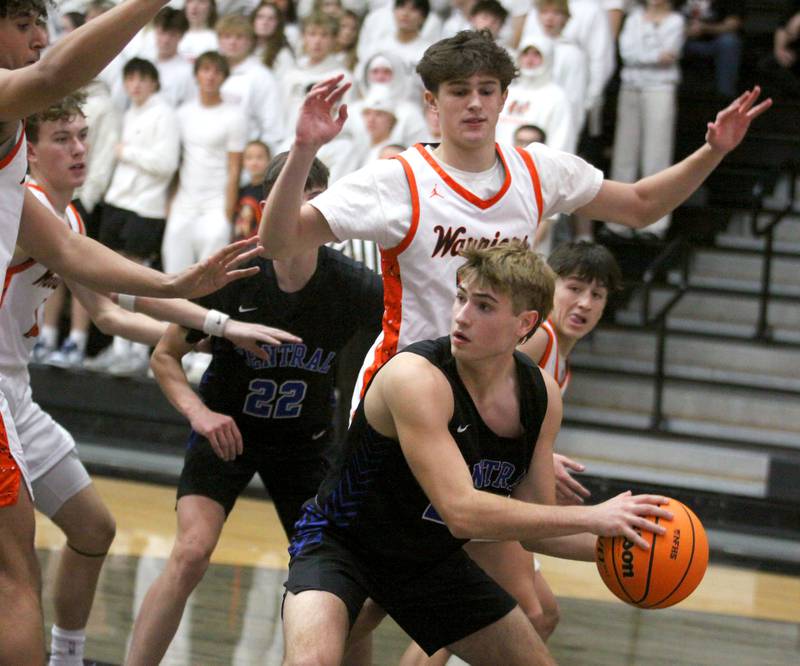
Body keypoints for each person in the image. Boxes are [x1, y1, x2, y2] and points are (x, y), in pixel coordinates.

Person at [260, 27, 770, 658]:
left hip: (482, 395)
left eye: (487, 89)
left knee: (510, 601)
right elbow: (280, 242)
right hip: (403, 397)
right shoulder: (400, 180)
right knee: (382, 580)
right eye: (458, 91)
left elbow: (640, 205)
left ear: (506, 99)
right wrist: (304, 150)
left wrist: (713, 151)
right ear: (431, 103)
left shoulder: (535, 173)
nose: (475, 102)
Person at [0, 1, 263, 661]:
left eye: (83, 137)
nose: (78, 149)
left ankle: (66, 654)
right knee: (13, 576)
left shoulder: (56, 216)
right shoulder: (26, 176)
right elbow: (55, 73)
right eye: (62, 138)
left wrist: (207, 312)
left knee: (89, 530)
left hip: (15, 390)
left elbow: (101, 289)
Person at [282, 242, 673, 666]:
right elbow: (461, 511)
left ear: (525, 323)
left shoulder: (541, 396)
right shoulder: (415, 377)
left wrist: (627, 546)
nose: (461, 315)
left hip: (428, 560)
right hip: (342, 545)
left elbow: (538, 530)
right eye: (461, 297)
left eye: (483, 306)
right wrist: (592, 516)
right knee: (313, 662)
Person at [125, 152, 383, 665]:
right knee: (191, 552)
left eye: (316, 204)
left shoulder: (356, 286)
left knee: (338, 580)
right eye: (294, 203)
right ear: (269, 211)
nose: (304, 216)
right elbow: (165, 356)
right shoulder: (234, 272)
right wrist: (200, 415)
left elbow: (412, 340)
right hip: (228, 433)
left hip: (305, 444)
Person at [400, 240, 623, 665]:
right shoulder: (540, 339)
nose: (585, 302)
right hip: (468, 486)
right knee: (523, 614)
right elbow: (482, 393)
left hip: (489, 486)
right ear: (548, 291)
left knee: (539, 614)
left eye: (597, 294)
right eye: (575, 288)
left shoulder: (560, 361)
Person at [90, 57, 181, 375]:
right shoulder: (128, 113)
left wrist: (126, 153)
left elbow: (166, 164)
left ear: (154, 82)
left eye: (143, 79)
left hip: (145, 207)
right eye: (130, 79)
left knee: (138, 281)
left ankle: (139, 350)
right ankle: (119, 348)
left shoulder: (165, 114)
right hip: (119, 202)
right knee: (114, 278)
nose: (136, 85)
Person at [607, 0, 686, 240]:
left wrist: (644, 54)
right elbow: (626, 53)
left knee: (657, 155)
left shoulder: (676, 21)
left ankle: (655, 225)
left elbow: (669, 55)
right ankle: (616, 222)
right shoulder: (633, 17)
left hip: (660, 88)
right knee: (624, 154)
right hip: (630, 86)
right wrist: (654, 54)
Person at [681, 0, 743, 100]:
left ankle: (725, 97)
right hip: (682, 40)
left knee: (729, 42)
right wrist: (685, 31)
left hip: (715, 42)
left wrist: (704, 28)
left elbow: (732, 25)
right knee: (666, 40)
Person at [234, 139, 272, 241]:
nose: (254, 162)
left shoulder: (271, 190)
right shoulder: (240, 191)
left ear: (269, 160)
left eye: (260, 157)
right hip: (241, 243)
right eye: (249, 158)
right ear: (243, 162)